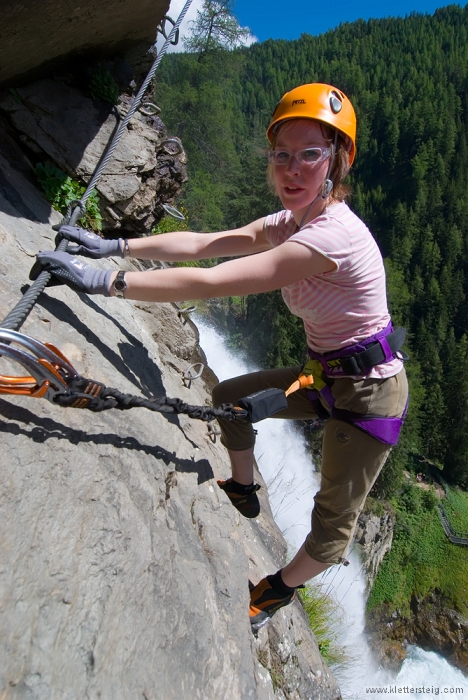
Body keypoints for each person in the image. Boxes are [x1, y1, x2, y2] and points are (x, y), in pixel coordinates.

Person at [34, 83, 408, 631]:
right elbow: (210, 243)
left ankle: (277, 590)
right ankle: (242, 487)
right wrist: (115, 248)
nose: (291, 169)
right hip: (323, 373)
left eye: (310, 154)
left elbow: (212, 283)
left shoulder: (331, 237)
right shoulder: (294, 220)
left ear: (339, 160)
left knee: (332, 525)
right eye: (281, 154)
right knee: (230, 399)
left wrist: (103, 282)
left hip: (369, 392)